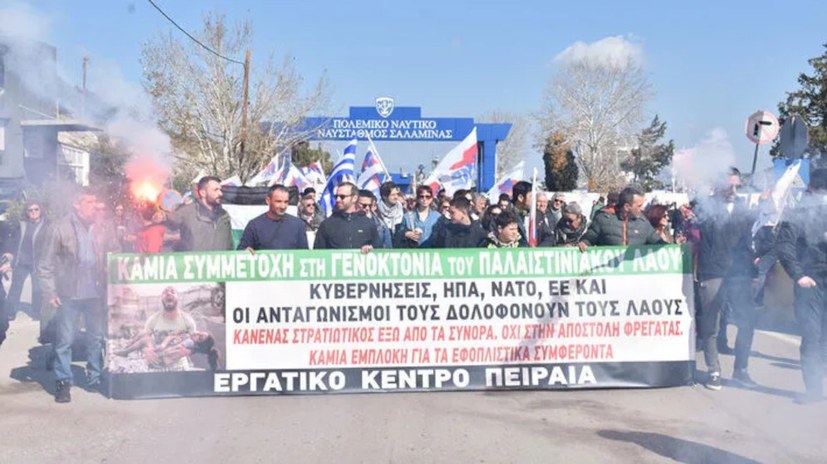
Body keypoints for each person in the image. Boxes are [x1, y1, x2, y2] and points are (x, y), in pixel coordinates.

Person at [38, 188, 116, 403]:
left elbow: (115, 252)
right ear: (76, 204)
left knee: (96, 337)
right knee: (65, 340)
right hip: (69, 293)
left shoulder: (102, 227)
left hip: (96, 293)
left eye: (95, 201)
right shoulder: (59, 228)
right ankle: (63, 382)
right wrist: (49, 291)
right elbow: (45, 264)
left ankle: (95, 378)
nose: (94, 206)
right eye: (89, 202)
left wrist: (113, 266)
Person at [694, 168, 758, 391]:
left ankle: (741, 370)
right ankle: (714, 370)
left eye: (737, 186)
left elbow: (749, 241)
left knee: (747, 322)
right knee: (710, 324)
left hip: (738, 273)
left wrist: (752, 270)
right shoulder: (706, 206)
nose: (734, 190)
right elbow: (695, 233)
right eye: (730, 185)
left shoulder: (744, 208)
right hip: (713, 270)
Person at [776, 168, 827, 404]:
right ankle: (814, 390)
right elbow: (785, 247)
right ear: (813, 189)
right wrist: (798, 275)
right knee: (812, 336)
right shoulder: (798, 214)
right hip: (810, 284)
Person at [578, 186, 664, 250]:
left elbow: (659, 244)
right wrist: (584, 243)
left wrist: (672, 248)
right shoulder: (603, 219)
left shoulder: (643, 223)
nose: (642, 209)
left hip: (634, 272)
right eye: (639, 206)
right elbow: (588, 239)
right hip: (609, 272)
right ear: (627, 207)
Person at [7, 200, 48, 321]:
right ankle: (10, 312)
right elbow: (13, 242)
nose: (34, 212)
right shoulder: (21, 225)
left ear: (40, 210)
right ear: (27, 212)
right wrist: (10, 256)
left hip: (38, 263)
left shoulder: (47, 226)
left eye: (36, 209)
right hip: (22, 261)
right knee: (15, 288)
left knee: (37, 288)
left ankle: (36, 312)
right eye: (30, 210)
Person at [167, 176, 232, 251]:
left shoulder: (224, 215)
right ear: (203, 193)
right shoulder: (187, 212)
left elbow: (229, 246)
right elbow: (168, 223)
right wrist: (162, 217)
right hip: (193, 262)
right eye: (215, 190)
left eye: (220, 190)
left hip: (219, 262)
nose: (220, 193)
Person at [314, 182, 382, 252]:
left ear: (354, 198)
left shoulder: (368, 224)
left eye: (342, 197)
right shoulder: (327, 224)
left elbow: (379, 250)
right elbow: (318, 254)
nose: (338, 200)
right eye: (336, 196)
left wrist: (371, 249)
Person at [238, 184, 308, 251]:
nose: (283, 206)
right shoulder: (254, 225)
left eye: (286, 202)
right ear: (268, 201)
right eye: (278, 202)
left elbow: (304, 256)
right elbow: (240, 253)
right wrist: (245, 252)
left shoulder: (298, 225)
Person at [512, 181, 554, 246]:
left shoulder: (538, 215)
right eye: (531, 196)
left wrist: (538, 251)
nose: (534, 200)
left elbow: (548, 237)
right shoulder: (507, 216)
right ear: (520, 198)